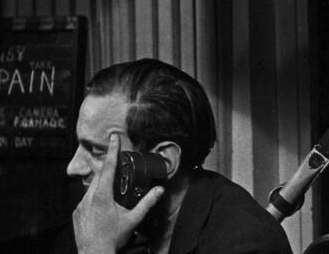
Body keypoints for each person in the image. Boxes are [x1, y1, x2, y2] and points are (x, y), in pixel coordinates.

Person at [59, 58, 291, 254]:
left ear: (163, 161)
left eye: (98, 151)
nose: (73, 167)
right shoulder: (101, 221)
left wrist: (96, 250)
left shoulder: (247, 243)